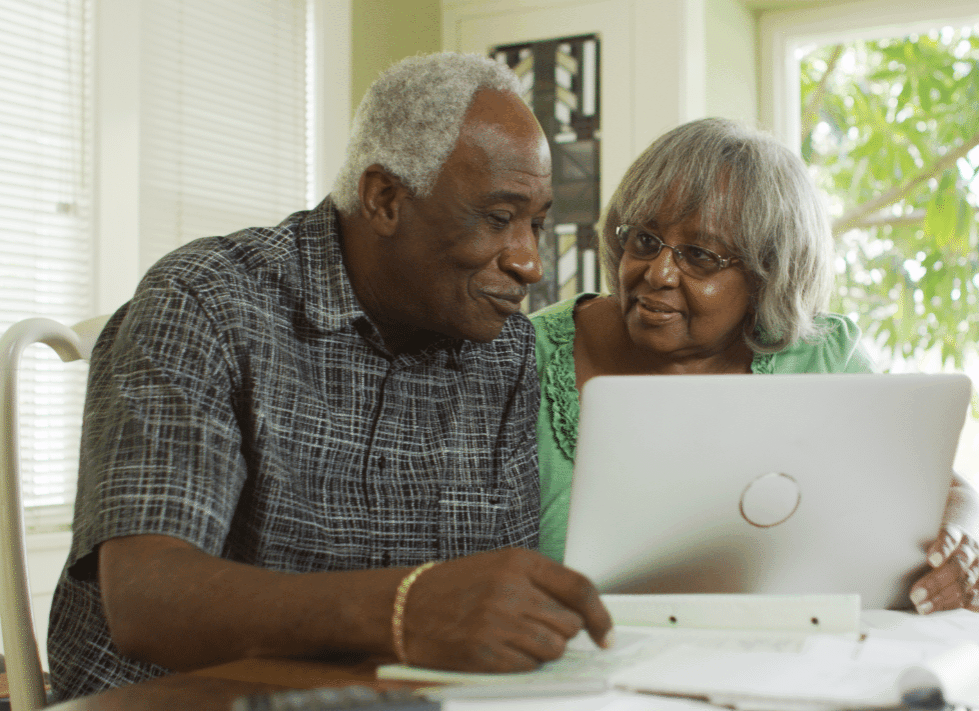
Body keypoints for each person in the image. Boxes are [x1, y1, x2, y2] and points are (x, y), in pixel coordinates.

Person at [47, 53, 612, 701]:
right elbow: (149, 599)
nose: (530, 263)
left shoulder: (505, 347)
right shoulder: (203, 302)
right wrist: (407, 609)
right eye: (497, 218)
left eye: (536, 224)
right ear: (385, 199)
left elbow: (481, 607)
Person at [531, 117, 979, 614]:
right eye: (644, 240)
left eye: (699, 256)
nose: (657, 273)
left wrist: (962, 545)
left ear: (766, 276)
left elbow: (952, 493)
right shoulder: (526, 355)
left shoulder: (821, 355)